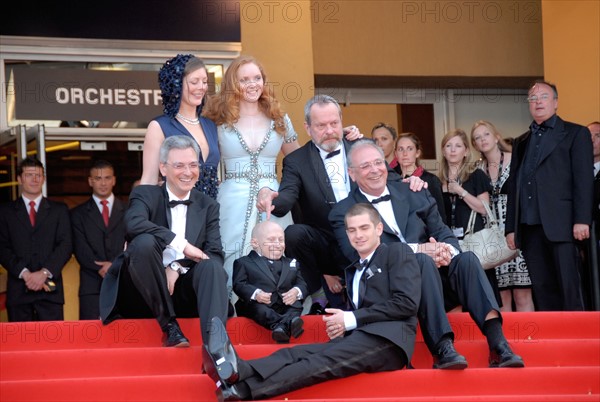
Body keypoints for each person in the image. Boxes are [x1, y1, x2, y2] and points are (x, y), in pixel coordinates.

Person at [329, 140, 524, 370]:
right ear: (351, 174)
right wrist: (420, 251)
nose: (374, 170)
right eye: (365, 166)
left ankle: (498, 344)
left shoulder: (413, 191)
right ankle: (442, 348)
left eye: (378, 163)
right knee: (421, 260)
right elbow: (357, 254)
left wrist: (445, 251)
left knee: (466, 260)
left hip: (434, 281)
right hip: (390, 289)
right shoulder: (342, 211)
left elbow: (442, 231)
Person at [202, 202, 421, 400]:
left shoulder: (397, 252)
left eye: (364, 228)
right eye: (352, 230)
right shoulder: (353, 270)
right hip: (362, 336)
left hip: (389, 341)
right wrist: (348, 325)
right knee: (296, 352)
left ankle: (243, 391)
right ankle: (240, 370)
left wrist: (351, 318)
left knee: (316, 363)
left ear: (379, 229)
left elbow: (406, 303)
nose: (358, 235)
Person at [256, 94, 403, 313]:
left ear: (342, 121)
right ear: (307, 127)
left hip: (369, 236)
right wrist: (269, 195)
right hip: (326, 243)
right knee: (294, 234)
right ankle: (318, 295)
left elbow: (391, 180)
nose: (329, 130)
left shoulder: (361, 146)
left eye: (334, 123)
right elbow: (286, 197)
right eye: (321, 125)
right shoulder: (297, 160)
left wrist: (414, 183)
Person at [99, 135, 228, 347]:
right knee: (143, 243)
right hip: (143, 294)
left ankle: (217, 349)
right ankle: (170, 327)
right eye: (179, 165)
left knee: (212, 266)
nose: (188, 172)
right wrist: (181, 244)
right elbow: (133, 224)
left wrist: (176, 267)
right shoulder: (145, 194)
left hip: (184, 292)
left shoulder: (208, 205)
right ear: (163, 168)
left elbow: (214, 253)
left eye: (193, 165)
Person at [203, 55, 301, 297]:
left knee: (277, 253)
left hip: (273, 202)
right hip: (230, 201)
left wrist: (337, 139)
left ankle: (278, 314)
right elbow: (203, 161)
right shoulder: (217, 119)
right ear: (232, 84)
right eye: (244, 79)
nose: (252, 84)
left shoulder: (279, 118)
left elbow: (299, 161)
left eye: (257, 78)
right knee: (231, 253)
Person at [505, 81, 593, 311]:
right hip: (530, 226)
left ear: (555, 102)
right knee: (542, 288)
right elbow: (515, 185)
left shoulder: (576, 133)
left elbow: (583, 180)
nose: (537, 102)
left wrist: (582, 219)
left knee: (569, 286)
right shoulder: (521, 141)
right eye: (532, 99)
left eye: (543, 97)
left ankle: (577, 338)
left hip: (562, 224)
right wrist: (511, 227)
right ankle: (552, 342)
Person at [470, 121, 534, 312]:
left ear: (496, 136)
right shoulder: (477, 170)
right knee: (502, 296)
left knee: (522, 294)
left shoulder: (516, 160)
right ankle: (506, 340)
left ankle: (528, 339)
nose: (483, 140)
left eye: (486, 134)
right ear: (474, 144)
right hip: (492, 237)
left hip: (517, 230)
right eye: (477, 137)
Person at [0, 157, 72, 321]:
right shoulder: (5, 212)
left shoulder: (59, 210)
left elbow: (66, 245)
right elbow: (2, 247)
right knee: (20, 344)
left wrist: (44, 273)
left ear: (44, 179)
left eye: (38, 175)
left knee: (52, 344)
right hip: (19, 291)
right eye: (29, 175)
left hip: (50, 293)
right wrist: (25, 274)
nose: (34, 179)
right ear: (19, 179)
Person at [140, 54, 220, 199]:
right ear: (176, 84)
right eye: (194, 82)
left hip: (211, 213)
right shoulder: (159, 126)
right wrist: (139, 216)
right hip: (175, 212)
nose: (201, 87)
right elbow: (149, 180)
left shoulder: (211, 126)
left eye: (204, 81)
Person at [438, 128, 500, 302]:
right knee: (454, 296)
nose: (452, 150)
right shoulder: (437, 180)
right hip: (449, 244)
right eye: (448, 145)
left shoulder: (475, 176)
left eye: (458, 146)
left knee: (479, 295)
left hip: (475, 242)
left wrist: (461, 192)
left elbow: (484, 209)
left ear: (466, 151)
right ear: (443, 150)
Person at [233, 221, 308, 343]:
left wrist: (296, 291)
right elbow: (239, 285)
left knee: (296, 305)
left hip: (284, 305)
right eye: (272, 240)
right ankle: (285, 324)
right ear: (255, 243)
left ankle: (282, 328)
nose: (278, 244)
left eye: (281, 240)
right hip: (259, 305)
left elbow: (302, 284)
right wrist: (256, 294)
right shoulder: (244, 262)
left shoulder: (291, 263)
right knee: (259, 309)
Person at [71, 160, 127, 320]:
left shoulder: (129, 210)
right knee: (90, 337)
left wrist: (114, 265)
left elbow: (132, 243)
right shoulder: (77, 214)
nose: (103, 183)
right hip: (91, 284)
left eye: (107, 178)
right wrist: (101, 267)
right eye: (98, 178)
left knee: (123, 337)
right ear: (90, 181)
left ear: (114, 180)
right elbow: (79, 247)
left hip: (121, 283)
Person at [393, 131, 446, 222]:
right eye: (400, 149)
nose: (405, 153)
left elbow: (440, 216)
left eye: (410, 149)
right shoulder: (393, 181)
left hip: (424, 233)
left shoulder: (431, 180)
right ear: (396, 154)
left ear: (417, 153)